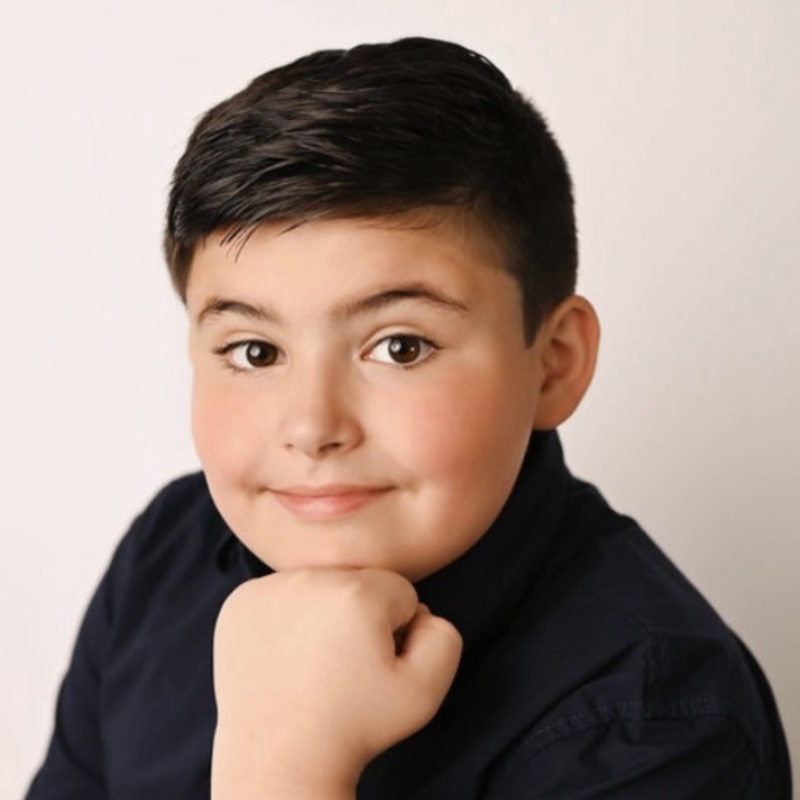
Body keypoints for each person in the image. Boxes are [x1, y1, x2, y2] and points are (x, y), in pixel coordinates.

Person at [25, 37, 791, 800]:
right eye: (255, 352)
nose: (312, 426)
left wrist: (287, 768)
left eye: (400, 346)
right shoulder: (169, 550)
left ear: (554, 362)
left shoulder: (659, 725)